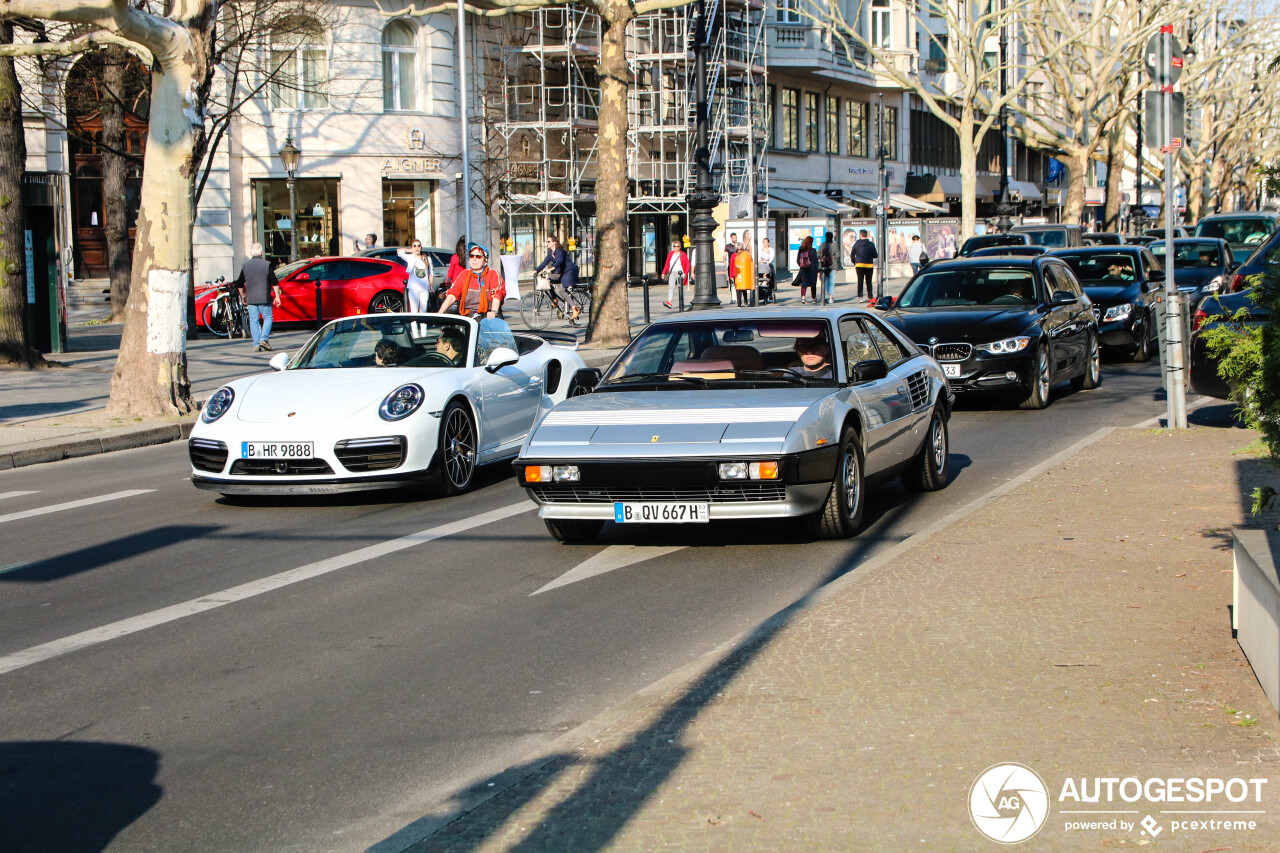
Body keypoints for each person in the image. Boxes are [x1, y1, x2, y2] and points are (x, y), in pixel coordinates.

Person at [232, 242, 281, 352]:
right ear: (262, 253)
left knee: (254, 321)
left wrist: (244, 296)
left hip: (251, 299)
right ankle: (263, 339)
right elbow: (275, 282)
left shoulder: (245, 266)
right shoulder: (267, 265)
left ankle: (256, 344)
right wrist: (277, 296)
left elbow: (239, 284)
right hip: (264, 297)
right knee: (268, 318)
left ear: (250, 253)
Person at [438, 242, 506, 319]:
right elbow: (453, 295)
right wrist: (440, 312)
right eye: (471, 256)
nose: (474, 259)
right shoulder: (464, 274)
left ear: (485, 260)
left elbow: (497, 294)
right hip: (469, 315)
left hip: (488, 315)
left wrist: (494, 311)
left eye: (478, 256)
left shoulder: (493, 274)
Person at [534, 235, 581, 324]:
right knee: (548, 279)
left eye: (548, 241)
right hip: (561, 273)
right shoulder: (550, 253)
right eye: (546, 241)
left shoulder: (560, 251)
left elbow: (559, 261)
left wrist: (551, 269)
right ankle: (555, 299)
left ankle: (575, 309)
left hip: (569, 272)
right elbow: (544, 263)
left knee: (561, 290)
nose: (547, 243)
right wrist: (536, 270)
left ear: (554, 242)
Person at [397, 239, 433, 312]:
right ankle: (414, 323)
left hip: (424, 287)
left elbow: (430, 273)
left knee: (424, 310)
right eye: (415, 246)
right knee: (414, 310)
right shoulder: (410, 257)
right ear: (412, 247)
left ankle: (423, 323)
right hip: (414, 288)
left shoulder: (427, 258)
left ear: (421, 247)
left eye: (418, 246)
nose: (417, 247)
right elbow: (399, 251)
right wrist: (410, 250)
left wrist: (431, 286)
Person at [662, 239, 690, 309]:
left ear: (680, 247)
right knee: (671, 287)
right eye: (674, 246)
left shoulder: (683, 254)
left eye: (677, 246)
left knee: (680, 288)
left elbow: (688, 264)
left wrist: (685, 274)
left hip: (680, 273)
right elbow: (667, 264)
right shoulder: (670, 254)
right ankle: (669, 301)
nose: (676, 247)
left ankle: (681, 302)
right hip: (672, 273)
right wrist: (663, 273)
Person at [850, 229, 878, 299]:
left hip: (859, 264)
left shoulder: (856, 244)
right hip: (869, 265)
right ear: (867, 235)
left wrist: (854, 262)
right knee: (869, 281)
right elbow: (875, 255)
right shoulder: (871, 244)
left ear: (860, 235)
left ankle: (860, 297)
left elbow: (852, 254)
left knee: (860, 281)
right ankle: (870, 296)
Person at [796, 235, 819, 302]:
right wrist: (817, 270)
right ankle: (813, 298)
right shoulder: (813, 250)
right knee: (813, 284)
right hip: (812, 270)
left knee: (804, 284)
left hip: (803, 269)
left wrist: (801, 265)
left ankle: (803, 297)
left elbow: (798, 259)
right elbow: (815, 261)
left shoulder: (801, 249)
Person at [733, 240, 755, 307]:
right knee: (738, 289)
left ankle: (745, 300)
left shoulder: (745, 255)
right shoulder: (734, 256)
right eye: (738, 249)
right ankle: (739, 304)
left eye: (741, 249)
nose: (740, 250)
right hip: (737, 274)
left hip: (745, 274)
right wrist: (731, 275)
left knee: (744, 288)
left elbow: (751, 263)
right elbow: (731, 266)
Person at [818, 231, 836, 304]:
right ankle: (830, 298)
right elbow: (838, 255)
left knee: (824, 281)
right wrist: (832, 257)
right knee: (832, 282)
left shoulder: (822, 245)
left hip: (824, 265)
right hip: (833, 265)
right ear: (832, 237)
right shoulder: (834, 245)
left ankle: (824, 296)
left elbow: (818, 255)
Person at [759, 237, 776, 301]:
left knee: (769, 278)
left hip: (768, 265)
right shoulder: (761, 250)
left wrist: (768, 262)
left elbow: (771, 258)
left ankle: (769, 294)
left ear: (768, 243)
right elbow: (759, 258)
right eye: (763, 242)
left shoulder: (771, 250)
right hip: (761, 265)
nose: (764, 243)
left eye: (765, 242)